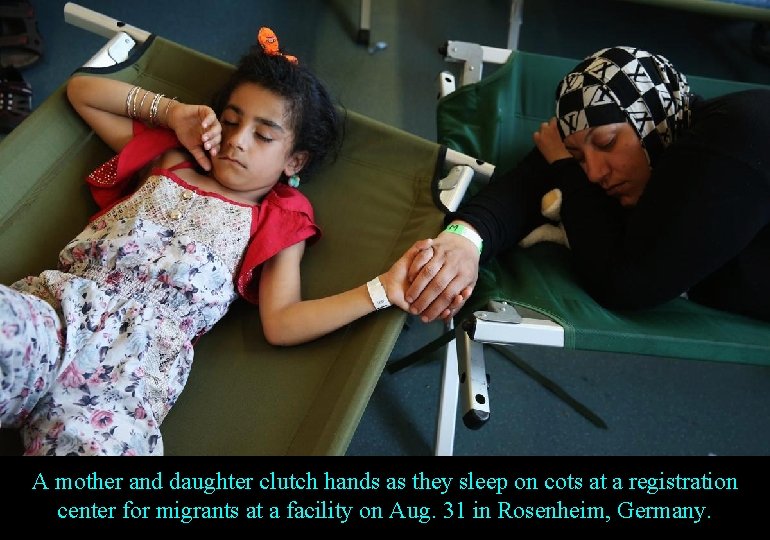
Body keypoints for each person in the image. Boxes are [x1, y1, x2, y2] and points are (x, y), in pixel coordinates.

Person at [0, 28, 417, 456]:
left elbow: (282, 321)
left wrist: (383, 290)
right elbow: (83, 91)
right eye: (232, 121)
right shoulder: (174, 157)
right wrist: (173, 113)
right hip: (61, 313)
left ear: (294, 160)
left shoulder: (278, 216)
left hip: (130, 380)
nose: (237, 140)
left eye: (264, 136)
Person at [404, 45, 770, 324]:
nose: (593, 172)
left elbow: (625, 284)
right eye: (579, 157)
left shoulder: (733, 140)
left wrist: (566, 167)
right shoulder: (658, 140)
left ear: (650, 120)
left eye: (608, 142)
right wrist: (464, 239)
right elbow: (527, 183)